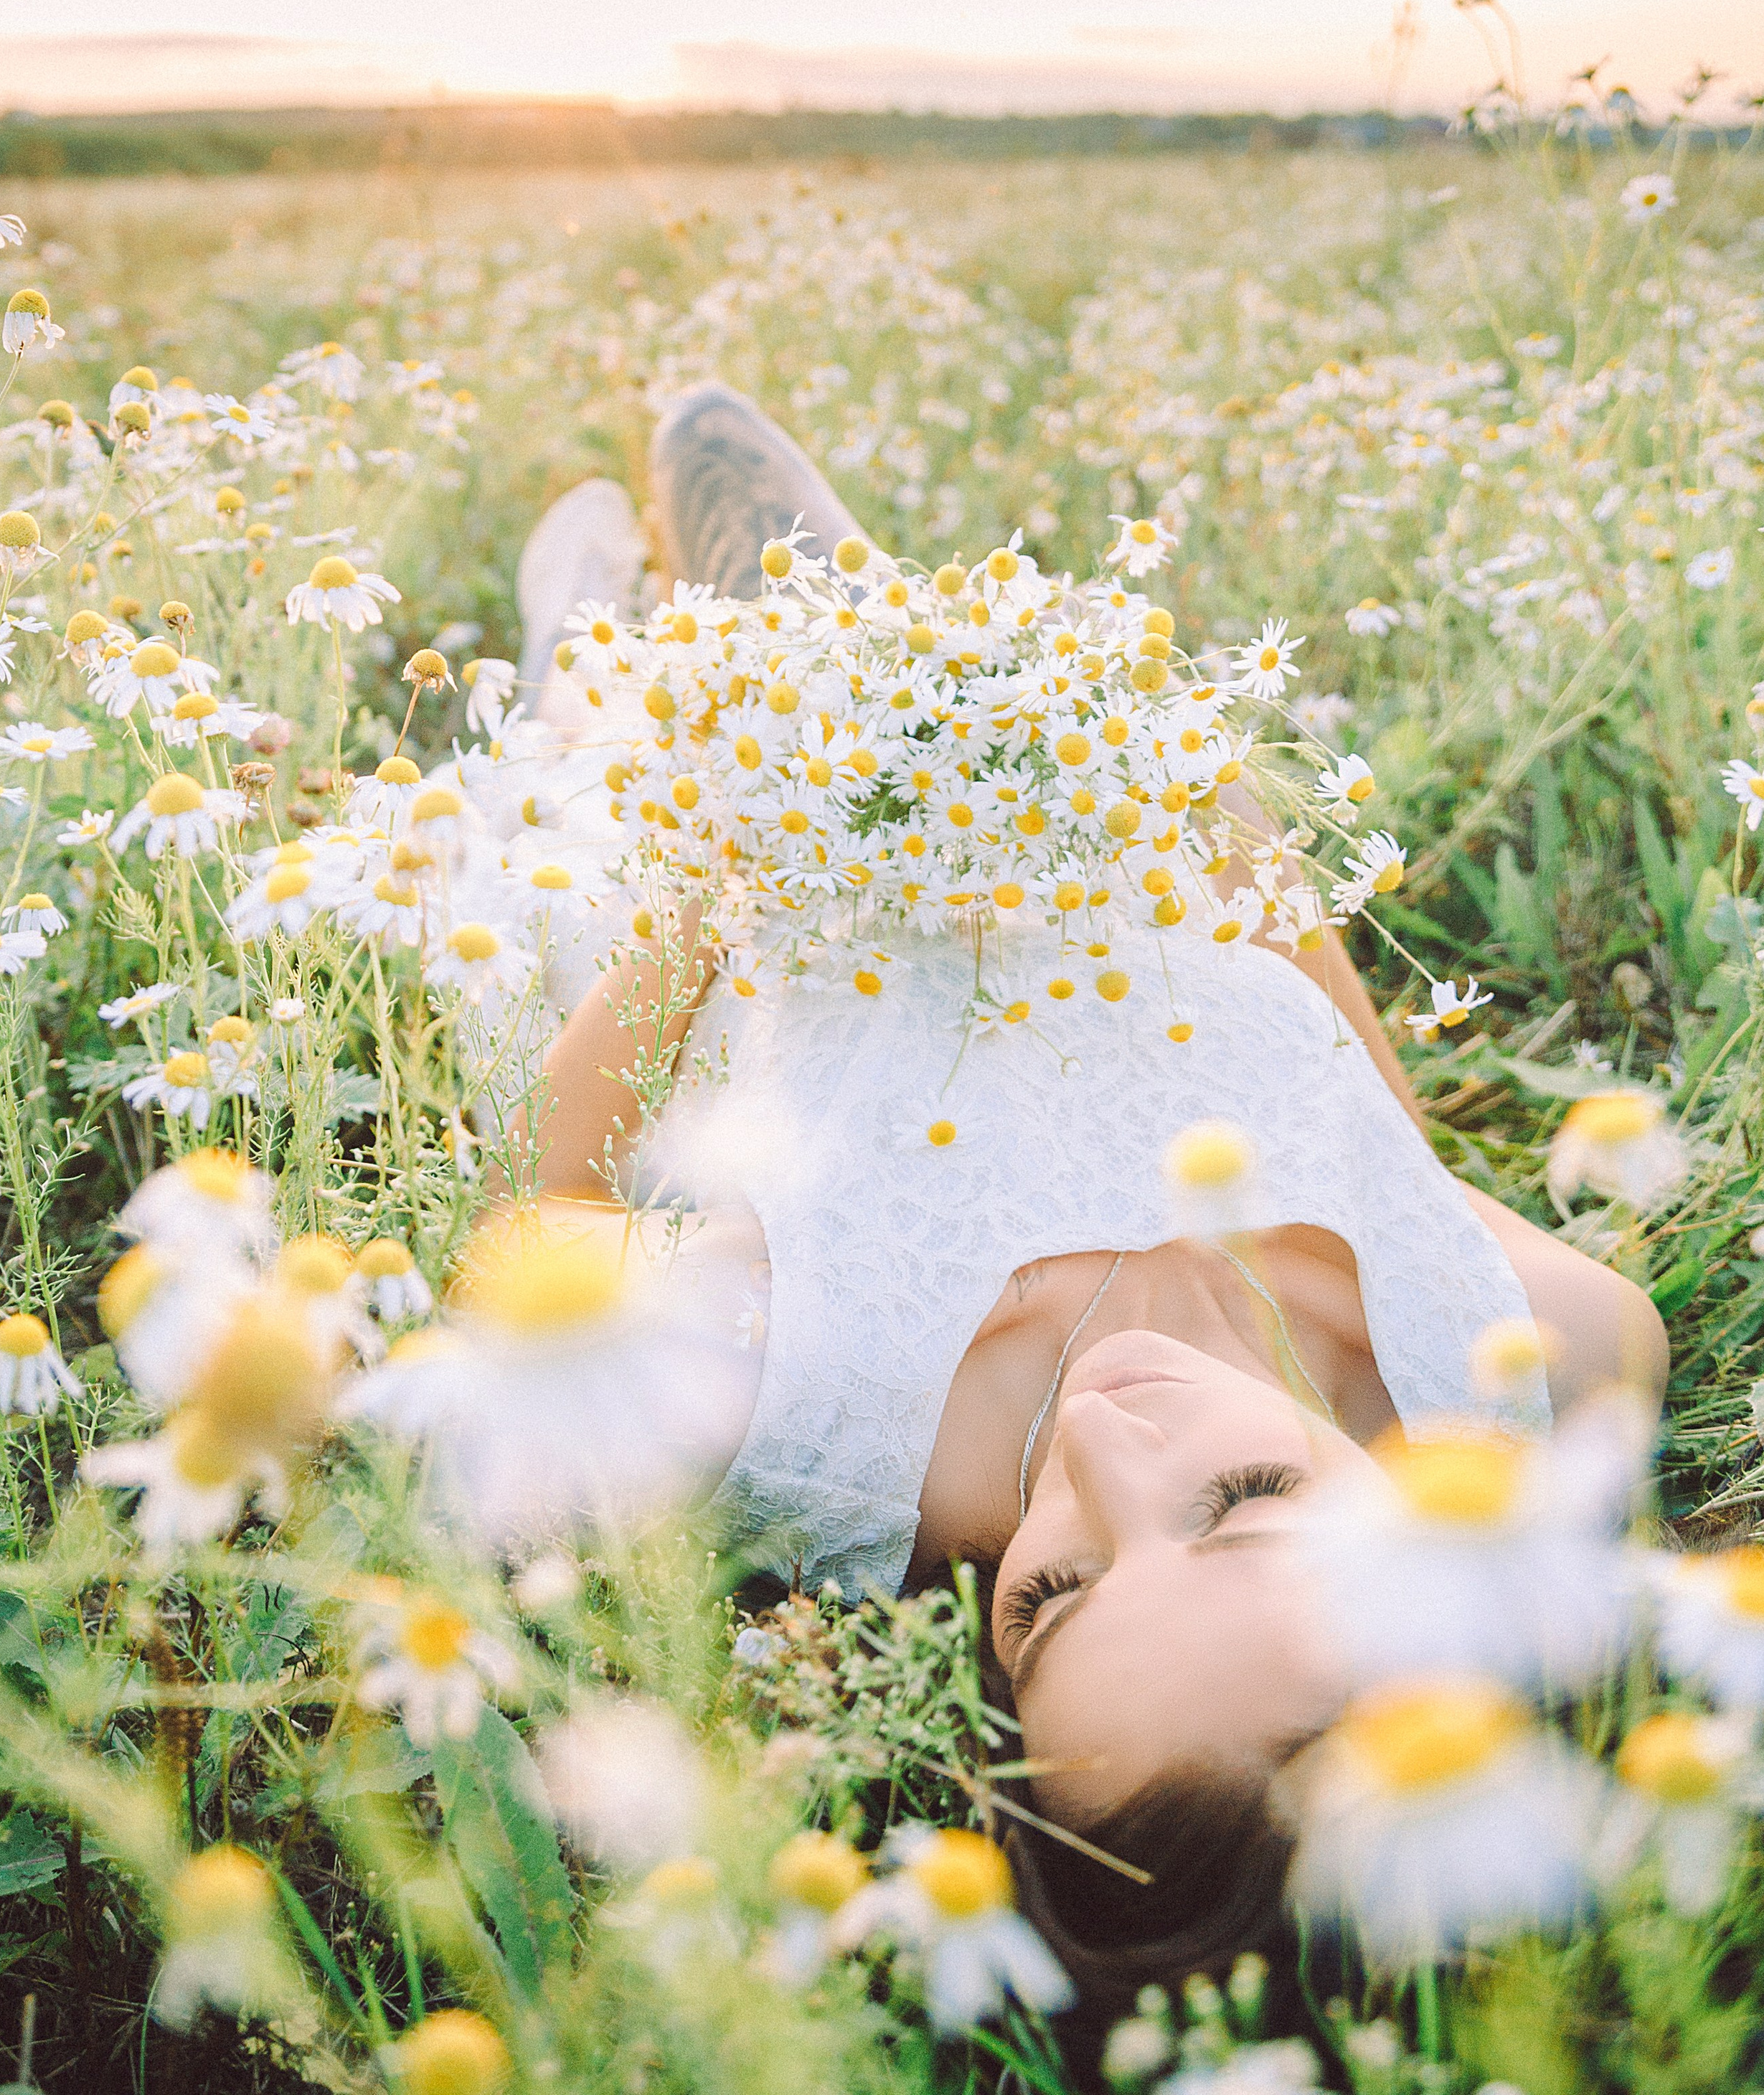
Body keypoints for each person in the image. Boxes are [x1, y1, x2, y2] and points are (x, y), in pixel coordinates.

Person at [493, 383, 1668, 2043]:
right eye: (1240, 1499)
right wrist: (1155, 764)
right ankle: (626, 625)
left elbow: (543, 1222)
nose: (1105, 1453)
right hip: (999, 800)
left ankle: (576, 665)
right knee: (718, 447)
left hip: (695, 869)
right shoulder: (1547, 1355)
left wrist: (717, 852)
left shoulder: (800, 1420)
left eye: (1047, 1599)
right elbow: (1357, 1097)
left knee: (629, 589)